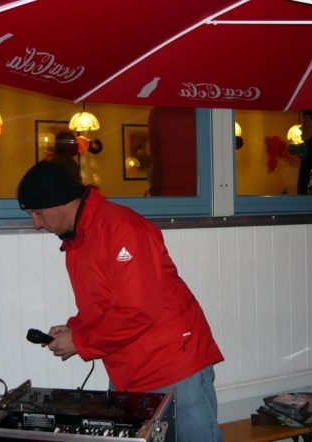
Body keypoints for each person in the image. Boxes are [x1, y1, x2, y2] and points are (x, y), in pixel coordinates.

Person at [17, 161, 225, 442]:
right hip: (129, 372)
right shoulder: (78, 240)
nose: (37, 224)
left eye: (38, 212)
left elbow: (138, 309)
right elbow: (103, 304)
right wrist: (76, 329)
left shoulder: (121, 226)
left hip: (174, 369)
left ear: (61, 200)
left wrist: (81, 341)